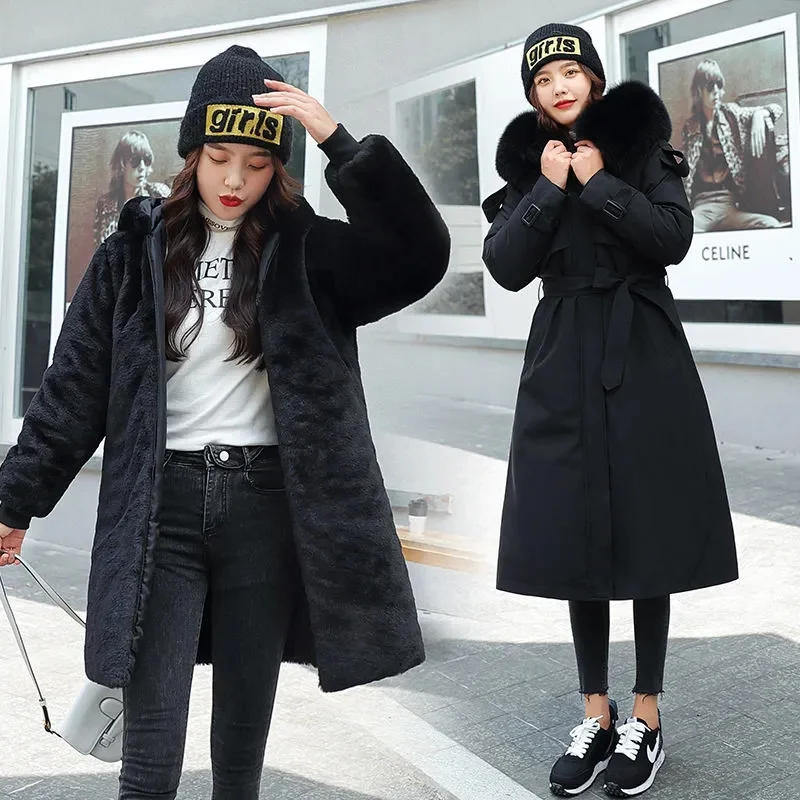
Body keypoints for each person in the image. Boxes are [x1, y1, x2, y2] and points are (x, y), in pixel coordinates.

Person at [0, 45, 450, 799]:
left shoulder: (310, 254)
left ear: (279, 168)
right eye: (218, 158)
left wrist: (339, 143)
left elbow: (420, 253)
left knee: (240, 754)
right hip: (161, 511)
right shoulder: (133, 253)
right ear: (191, 156)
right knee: (150, 755)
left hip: (264, 509)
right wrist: (13, 502)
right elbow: (73, 387)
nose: (235, 180)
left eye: (257, 163)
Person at [481, 24, 738, 798]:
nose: (558, 86)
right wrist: (549, 189)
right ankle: (595, 713)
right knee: (573, 531)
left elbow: (672, 238)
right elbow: (504, 266)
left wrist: (598, 184)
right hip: (561, 357)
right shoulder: (528, 167)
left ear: (593, 79)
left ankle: (647, 714)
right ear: (534, 97)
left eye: (570, 71)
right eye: (543, 80)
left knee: (649, 527)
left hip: (644, 350)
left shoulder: (640, 148)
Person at [682, 58, 785, 231]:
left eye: (719, 85)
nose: (716, 91)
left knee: (771, 225)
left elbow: (776, 108)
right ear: (699, 90)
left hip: (730, 204)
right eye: (710, 86)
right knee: (676, 233)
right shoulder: (690, 127)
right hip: (702, 207)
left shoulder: (731, 114)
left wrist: (760, 115)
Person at [94, 130, 171, 247]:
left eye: (146, 160)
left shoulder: (160, 194)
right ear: (121, 164)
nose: (142, 167)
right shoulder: (105, 205)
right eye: (135, 160)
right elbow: (100, 249)